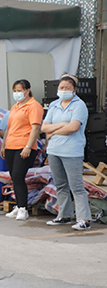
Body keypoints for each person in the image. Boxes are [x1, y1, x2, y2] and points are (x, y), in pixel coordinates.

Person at [41, 75, 91, 231]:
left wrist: (54, 131)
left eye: (67, 88)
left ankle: (84, 219)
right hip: (54, 150)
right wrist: (63, 124)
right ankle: (64, 215)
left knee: (76, 186)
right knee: (60, 185)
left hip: (72, 151)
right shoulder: (55, 105)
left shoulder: (79, 105)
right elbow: (44, 128)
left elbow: (73, 127)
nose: (63, 90)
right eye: (61, 88)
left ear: (74, 90)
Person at [1, 79, 44, 221]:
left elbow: (35, 128)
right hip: (11, 145)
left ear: (27, 91)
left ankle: (23, 208)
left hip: (24, 145)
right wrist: (3, 145)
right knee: (14, 177)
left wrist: (27, 146)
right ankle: (19, 205)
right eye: (15, 91)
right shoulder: (15, 107)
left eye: (19, 90)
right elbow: (8, 127)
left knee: (19, 176)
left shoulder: (34, 106)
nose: (17, 93)